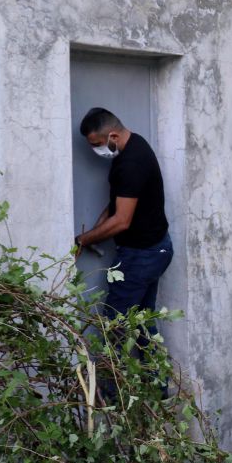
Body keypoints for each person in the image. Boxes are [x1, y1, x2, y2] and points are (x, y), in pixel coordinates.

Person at [74, 107, 173, 387]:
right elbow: (120, 201)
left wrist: (83, 240)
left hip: (142, 256)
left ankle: (109, 395)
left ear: (113, 135)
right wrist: (97, 229)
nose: (96, 150)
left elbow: (122, 220)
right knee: (141, 322)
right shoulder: (133, 145)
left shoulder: (132, 163)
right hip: (154, 249)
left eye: (96, 144)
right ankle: (157, 388)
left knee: (113, 327)